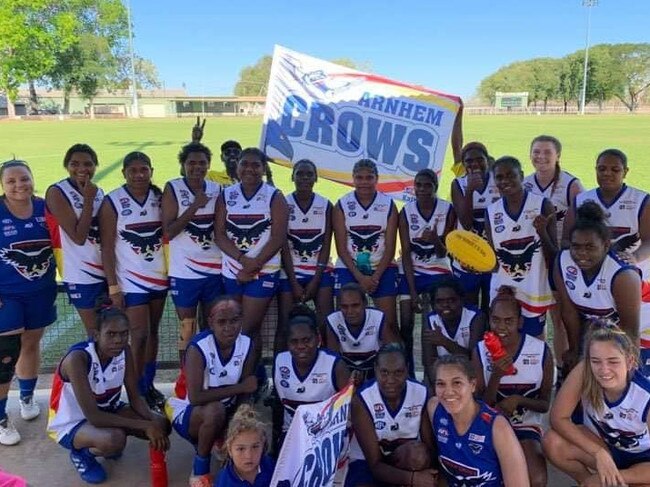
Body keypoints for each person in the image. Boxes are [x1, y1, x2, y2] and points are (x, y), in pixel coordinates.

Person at [46, 301, 170, 484]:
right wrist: (144, 426)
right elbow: (94, 417)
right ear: (96, 335)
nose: (118, 340)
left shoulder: (124, 351)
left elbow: (135, 397)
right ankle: (82, 454)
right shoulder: (77, 359)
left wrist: (152, 423)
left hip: (108, 410)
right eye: (111, 334)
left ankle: (104, 440)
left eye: (123, 334)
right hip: (72, 422)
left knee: (162, 424)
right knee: (115, 440)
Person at [99, 152, 168, 410]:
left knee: (152, 334)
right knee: (138, 336)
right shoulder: (113, 202)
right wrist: (113, 286)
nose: (139, 175)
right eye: (133, 170)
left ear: (151, 171)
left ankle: (148, 386)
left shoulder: (160, 198)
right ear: (124, 173)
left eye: (144, 170)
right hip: (132, 281)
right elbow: (106, 247)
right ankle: (135, 390)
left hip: (159, 279)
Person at [543, 322, 650, 486]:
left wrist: (612, 478)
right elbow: (558, 418)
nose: (604, 370)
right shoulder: (584, 371)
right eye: (596, 361)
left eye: (613, 361)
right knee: (553, 442)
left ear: (630, 362)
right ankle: (586, 482)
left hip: (642, 460)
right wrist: (599, 453)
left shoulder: (645, 396)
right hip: (606, 447)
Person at [166, 296, 256, 487]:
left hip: (224, 407)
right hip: (187, 409)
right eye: (222, 322)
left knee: (249, 418)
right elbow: (197, 397)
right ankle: (200, 467)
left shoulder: (247, 344)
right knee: (215, 411)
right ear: (210, 323)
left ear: (241, 320)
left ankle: (220, 440)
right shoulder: (198, 348)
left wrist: (238, 422)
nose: (229, 327)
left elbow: (247, 392)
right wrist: (239, 388)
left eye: (234, 321)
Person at [472, 286, 553, 487]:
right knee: (487, 476)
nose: (501, 327)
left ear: (520, 322)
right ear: (489, 320)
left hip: (525, 426)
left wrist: (518, 400)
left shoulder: (541, 351)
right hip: (489, 426)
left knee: (536, 478)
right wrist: (496, 375)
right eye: (496, 320)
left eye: (509, 321)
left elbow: (544, 405)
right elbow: (480, 404)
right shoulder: (480, 351)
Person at [0, 160, 57, 446]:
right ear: (2, 185)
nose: (19, 185)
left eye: (24, 178)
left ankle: (26, 397)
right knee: (5, 354)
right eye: (11, 181)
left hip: (41, 290)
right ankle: (0, 417)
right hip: (6, 295)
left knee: (31, 344)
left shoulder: (45, 207)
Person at [214, 148, 288, 362]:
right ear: (237, 166)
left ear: (264, 169)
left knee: (246, 329)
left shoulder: (274, 196)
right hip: (233, 271)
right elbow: (219, 234)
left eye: (256, 165)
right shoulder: (226, 195)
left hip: (263, 272)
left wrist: (254, 266)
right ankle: (248, 378)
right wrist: (242, 261)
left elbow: (278, 236)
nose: (250, 169)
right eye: (245, 164)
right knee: (239, 330)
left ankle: (250, 381)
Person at [554, 201, 644, 374]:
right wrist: (575, 350)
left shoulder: (623, 276)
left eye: (590, 247)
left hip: (615, 336)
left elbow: (630, 330)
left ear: (606, 245)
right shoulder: (563, 261)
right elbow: (569, 310)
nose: (581, 254)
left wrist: (626, 368)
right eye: (576, 246)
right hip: (587, 332)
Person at [523, 135, 583, 381]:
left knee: (560, 319)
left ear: (558, 155)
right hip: (532, 261)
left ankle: (561, 369)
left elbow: (583, 221)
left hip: (561, 260)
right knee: (535, 316)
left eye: (547, 152)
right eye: (536, 152)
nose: (541, 157)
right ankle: (537, 369)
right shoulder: (524, 184)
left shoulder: (572, 185)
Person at [428, 354, 530, 487]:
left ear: (472, 385)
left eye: (457, 383)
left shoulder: (497, 427)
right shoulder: (435, 408)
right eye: (441, 384)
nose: (448, 392)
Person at [162, 141, 222, 363]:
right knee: (187, 328)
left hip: (214, 269)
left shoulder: (217, 189)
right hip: (184, 272)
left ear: (209, 165)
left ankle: (211, 372)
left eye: (202, 163)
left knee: (212, 325)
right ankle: (186, 379)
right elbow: (169, 231)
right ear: (183, 165)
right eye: (191, 163)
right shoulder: (173, 188)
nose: (197, 167)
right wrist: (195, 206)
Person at [485, 156, 557, 338]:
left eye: (511, 175)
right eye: (499, 177)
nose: (505, 181)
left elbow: (553, 256)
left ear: (522, 176)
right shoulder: (491, 212)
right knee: (503, 338)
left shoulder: (543, 205)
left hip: (533, 287)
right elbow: (493, 260)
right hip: (503, 287)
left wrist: (542, 231)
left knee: (534, 340)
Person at [347, 343, 436, 487]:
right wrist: (412, 479)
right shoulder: (362, 399)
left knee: (419, 455)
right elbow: (375, 464)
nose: (391, 380)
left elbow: (430, 449)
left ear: (407, 369)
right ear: (375, 369)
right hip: (367, 463)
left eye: (398, 372)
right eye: (384, 372)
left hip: (403, 460)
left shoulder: (421, 393)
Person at [333, 158, 399, 336]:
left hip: (381, 267)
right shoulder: (342, 205)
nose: (364, 182)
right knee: (344, 321)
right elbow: (341, 249)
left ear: (377, 179)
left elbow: (391, 248)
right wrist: (361, 278)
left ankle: (394, 361)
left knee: (389, 323)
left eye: (369, 178)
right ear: (353, 179)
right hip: (350, 267)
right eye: (359, 178)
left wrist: (375, 277)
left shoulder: (388, 205)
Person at [398, 168, 456, 373]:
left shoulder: (447, 210)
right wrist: (413, 293)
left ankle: (429, 371)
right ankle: (408, 371)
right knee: (405, 324)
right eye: (418, 185)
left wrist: (435, 240)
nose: (422, 189)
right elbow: (405, 252)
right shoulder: (406, 211)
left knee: (429, 327)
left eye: (427, 185)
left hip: (438, 271)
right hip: (412, 271)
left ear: (436, 188)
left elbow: (444, 253)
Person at [45, 144, 105, 335]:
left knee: (111, 329)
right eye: (75, 164)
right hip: (80, 273)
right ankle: (94, 365)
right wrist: (87, 199)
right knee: (95, 332)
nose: (82, 169)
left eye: (88, 164)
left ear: (95, 166)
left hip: (105, 270)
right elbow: (78, 237)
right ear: (66, 165)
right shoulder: (57, 192)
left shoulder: (98, 192)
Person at [273, 306, 349, 452]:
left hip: (327, 435)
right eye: (294, 341)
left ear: (318, 338)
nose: (301, 346)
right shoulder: (280, 362)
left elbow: (351, 408)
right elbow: (278, 406)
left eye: (306, 340)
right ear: (287, 343)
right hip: (292, 434)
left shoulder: (335, 365)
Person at [277, 159, 333, 348]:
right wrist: (293, 281)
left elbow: (326, 245)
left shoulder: (326, 205)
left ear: (316, 178)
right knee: (285, 325)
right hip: (290, 270)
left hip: (319, 270)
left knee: (326, 322)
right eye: (300, 173)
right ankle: (281, 369)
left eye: (309, 174)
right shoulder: (283, 203)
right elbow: (283, 245)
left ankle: (326, 366)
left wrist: (316, 279)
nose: (305, 178)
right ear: (292, 176)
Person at [450, 142, 500, 308]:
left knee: (490, 306)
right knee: (469, 307)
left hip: (492, 254)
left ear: (487, 160)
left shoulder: (498, 181)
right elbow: (465, 222)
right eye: (469, 161)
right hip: (468, 254)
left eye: (480, 159)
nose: (475, 164)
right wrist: (470, 191)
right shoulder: (458, 184)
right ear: (463, 164)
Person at [326, 283, 398, 383]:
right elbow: (332, 359)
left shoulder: (377, 318)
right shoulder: (333, 320)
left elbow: (392, 352)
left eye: (355, 305)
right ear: (339, 307)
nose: (350, 311)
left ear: (365, 303)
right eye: (344, 306)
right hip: (346, 371)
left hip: (375, 369)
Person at [422, 276, 485, 387]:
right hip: (442, 374)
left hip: (468, 373)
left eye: (451, 300)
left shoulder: (475, 317)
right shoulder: (430, 320)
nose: (445, 305)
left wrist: (444, 341)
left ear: (461, 300)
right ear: (433, 305)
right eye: (439, 301)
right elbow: (429, 363)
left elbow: (474, 359)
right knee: (428, 385)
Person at [214, 404, 275, 487]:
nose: (249, 456)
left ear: (263, 445)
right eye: (241, 449)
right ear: (229, 450)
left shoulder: (272, 467)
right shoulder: (224, 482)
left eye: (255, 447)